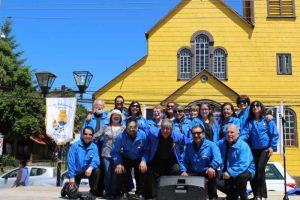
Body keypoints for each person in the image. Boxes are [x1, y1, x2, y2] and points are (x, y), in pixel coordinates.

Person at [241, 101, 279, 200]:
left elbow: (274, 134)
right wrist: (238, 140)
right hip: (253, 150)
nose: (255, 107)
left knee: (260, 168)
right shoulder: (250, 122)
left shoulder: (267, 120)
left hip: (265, 149)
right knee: (254, 171)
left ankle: (263, 195)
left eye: (257, 105)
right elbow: (245, 133)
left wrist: (272, 147)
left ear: (261, 107)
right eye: (253, 106)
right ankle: (256, 195)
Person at [144, 118, 186, 199]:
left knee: (177, 169)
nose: (165, 131)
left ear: (171, 129)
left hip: (170, 162)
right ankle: (153, 196)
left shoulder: (176, 136)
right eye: (163, 128)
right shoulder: (153, 133)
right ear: (160, 128)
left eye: (168, 129)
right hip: (157, 161)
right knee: (150, 171)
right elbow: (144, 127)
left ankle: (172, 195)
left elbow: (189, 141)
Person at [111, 117, 148, 200]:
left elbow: (146, 150)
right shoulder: (120, 136)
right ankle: (124, 192)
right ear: (126, 127)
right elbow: (115, 151)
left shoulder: (143, 135)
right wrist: (119, 163)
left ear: (137, 127)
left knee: (143, 170)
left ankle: (140, 193)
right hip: (126, 157)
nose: (132, 129)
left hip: (138, 157)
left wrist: (143, 161)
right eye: (129, 127)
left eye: (134, 127)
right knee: (119, 170)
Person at [181, 125, 222, 200]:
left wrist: (212, 166)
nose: (196, 135)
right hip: (193, 172)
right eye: (194, 133)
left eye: (198, 133)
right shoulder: (189, 146)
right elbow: (183, 160)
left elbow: (218, 158)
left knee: (212, 174)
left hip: (206, 171)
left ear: (203, 134)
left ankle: (212, 197)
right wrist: (183, 170)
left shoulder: (211, 145)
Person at [217, 124, 255, 200]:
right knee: (213, 177)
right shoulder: (221, 143)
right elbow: (214, 150)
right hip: (228, 171)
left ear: (238, 134)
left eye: (232, 132)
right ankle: (232, 194)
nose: (229, 134)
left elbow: (243, 164)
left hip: (246, 171)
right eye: (227, 132)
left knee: (241, 177)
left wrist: (230, 172)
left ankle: (244, 197)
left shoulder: (243, 146)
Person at [94, 109, 125, 198]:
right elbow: (96, 136)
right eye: (114, 115)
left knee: (116, 174)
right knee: (107, 173)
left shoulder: (124, 128)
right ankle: (108, 192)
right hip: (106, 153)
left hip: (119, 154)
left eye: (118, 115)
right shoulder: (105, 127)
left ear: (120, 118)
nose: (116, 116)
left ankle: (114, 193)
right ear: (111, 117)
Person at [67, 126, 100, 198]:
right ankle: (66, 188)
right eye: (86, 134)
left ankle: (93, 191)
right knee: (73, 195)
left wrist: (91, 168)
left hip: (87, 172)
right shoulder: (75, 145)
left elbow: (96, 160)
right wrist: (72, 176)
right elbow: (70, 161)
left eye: (90, 134)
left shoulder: (94, 147)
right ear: (82, 134)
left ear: (92, 136)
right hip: (76, 173)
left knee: (97, 170)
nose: (88, 136)